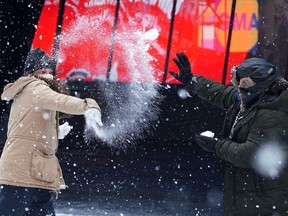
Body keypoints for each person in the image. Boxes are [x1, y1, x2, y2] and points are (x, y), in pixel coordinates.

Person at [170, 53, 288, 215]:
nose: (239, 91)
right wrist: (191, 80)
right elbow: (219, 93)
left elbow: (249, 155)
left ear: (262, 88)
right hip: (249, 194)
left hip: (265, 200)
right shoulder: (250, 98)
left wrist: (217, 145)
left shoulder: (272, 116)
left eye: (243, 87)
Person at [0, 48, 103, 215]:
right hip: (20, 175)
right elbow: (60, 100)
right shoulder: (35, 87)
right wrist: (88, 106)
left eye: (49, 71)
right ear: (32, 73)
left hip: (36, 175)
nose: (47, 75)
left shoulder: (28, 91)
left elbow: (26, 128)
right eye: (42, 71)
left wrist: (52, 133)